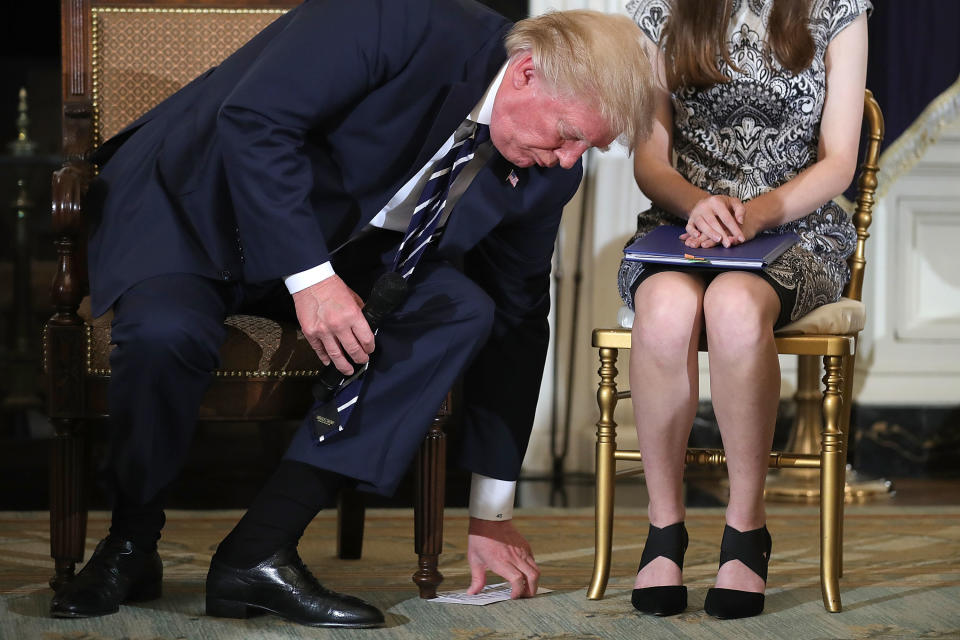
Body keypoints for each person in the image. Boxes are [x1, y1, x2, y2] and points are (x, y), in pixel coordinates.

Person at [49, 0, 654, 629]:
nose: (567, 160)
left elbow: (520, 318)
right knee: (165, 334)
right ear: (528, 72)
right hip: (197, 205)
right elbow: (256, 121)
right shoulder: (396, 18)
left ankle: (258, 553)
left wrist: (492, 511)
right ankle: (129, 542)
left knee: (460, 309)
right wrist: (311, 280)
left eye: (588, 147)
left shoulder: (545, 174)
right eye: (569, 133)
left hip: (340, 246)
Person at [618, 0, 869, 620]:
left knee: (734, 306)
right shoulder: (656, 9)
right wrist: (703, 205)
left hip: (797, 228)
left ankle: (745, 532)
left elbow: (839, 162)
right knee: (666, 309)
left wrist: (753, 214)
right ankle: (663, 531)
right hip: (686, 224)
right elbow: (650, 159)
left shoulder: (840, 9)